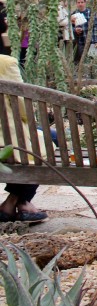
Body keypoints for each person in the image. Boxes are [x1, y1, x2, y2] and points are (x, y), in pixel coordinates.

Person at [0, 55, 48, 224]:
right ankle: (22, 202)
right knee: (47, 143)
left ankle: (13, 201)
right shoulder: (6, 63)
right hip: (7, 141)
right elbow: (22, 105)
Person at [71, 0, 97, 64]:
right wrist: (75, 30)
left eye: (82, 2)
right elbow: (71, 27)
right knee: (81, 62)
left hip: (91, 41)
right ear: (76, 4)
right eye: (78, 2)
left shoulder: (91, 13)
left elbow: (96, 27)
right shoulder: (74, 14)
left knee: (93, 62)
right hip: (80, 42)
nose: (80, 4)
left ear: (85, 3)